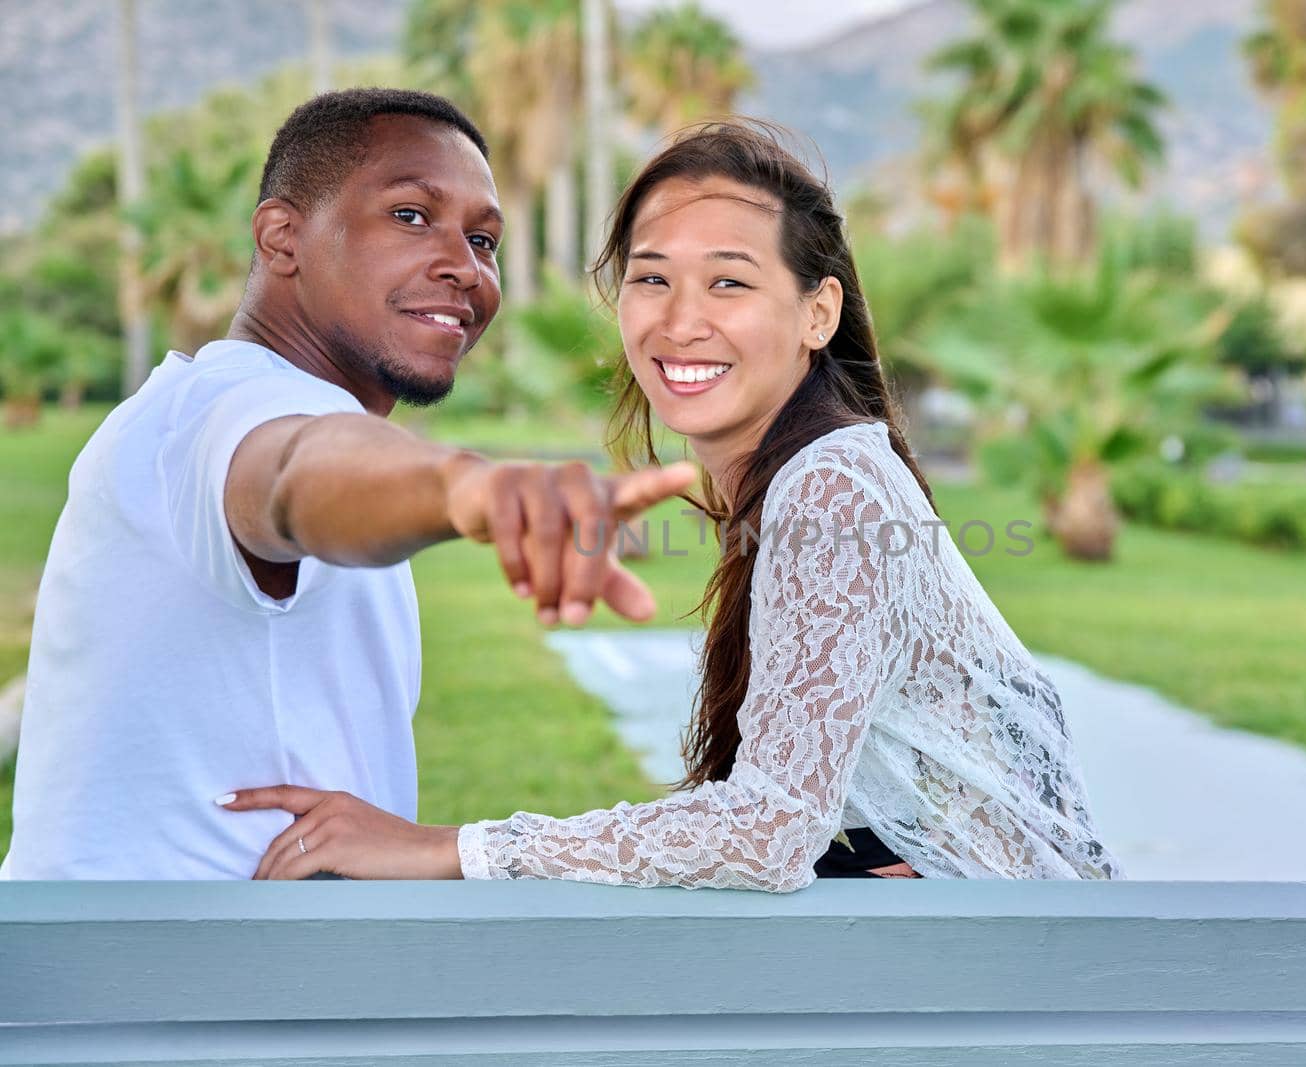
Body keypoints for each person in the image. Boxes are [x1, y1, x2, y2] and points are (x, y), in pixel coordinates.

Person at [222, 121, 1122, 887]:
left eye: (729, 281)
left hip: (1015, 981)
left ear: (818, 313)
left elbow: (767, 831)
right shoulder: (805, 474)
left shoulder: (831, 485)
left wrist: (449, 847)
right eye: (652, 278)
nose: (680, 320)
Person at [0, 89, 691, 880]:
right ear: (282, 237)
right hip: (176, 991)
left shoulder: (189, 404)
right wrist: (472, 489)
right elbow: (296, 470)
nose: (463, 268)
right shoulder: (234, 411)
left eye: (483, 238)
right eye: (409, 215)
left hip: (173, 978)